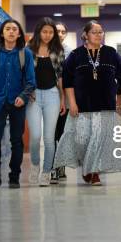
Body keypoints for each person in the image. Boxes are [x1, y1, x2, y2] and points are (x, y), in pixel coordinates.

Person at [53, 20, 121, 186]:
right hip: (82, 106)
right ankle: (86, 166)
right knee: (82, 140)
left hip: (105, 104)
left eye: (101, 32)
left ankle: (94, 172)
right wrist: (72, 103)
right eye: (95, 32)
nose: (99, 35)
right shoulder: (75, 55)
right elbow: (68, 82)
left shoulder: (111, 53)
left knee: (99, 139)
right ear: (86, 35)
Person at [0, 19, 36, 188]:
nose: (11, 32)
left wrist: (23, 96)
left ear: (19, 33)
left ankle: (14, 176)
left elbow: (30, 81)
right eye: (8, 29)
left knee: (16, 140)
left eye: (14, 29)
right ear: (2, 33)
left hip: (17, 103)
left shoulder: (24, 54)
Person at [26, 18, 66, 187]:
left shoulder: (58, 50)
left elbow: (61, 77)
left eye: (51, 32)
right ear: (38, 32)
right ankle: (35, 166)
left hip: (52, 96)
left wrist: (63, 99)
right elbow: (24, 74)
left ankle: (46, 172)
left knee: (49, 138)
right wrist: (27, 91)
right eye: (45, 32)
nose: (48, 35)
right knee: (35, 136)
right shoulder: (29, 49)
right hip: (33, 96)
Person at [52, 22, 73, 182]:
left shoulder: (70, 52)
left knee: (61, 133)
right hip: (48, 97)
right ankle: (52, 167)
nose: (60, 34)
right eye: (57, 31)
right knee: (50, 135)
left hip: (64, 99)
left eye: (63, 31)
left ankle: (61, 166)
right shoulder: (44, 49)